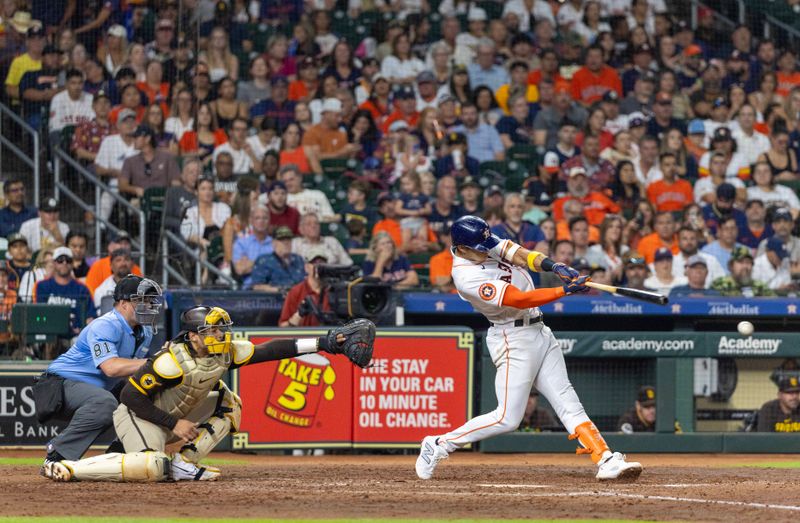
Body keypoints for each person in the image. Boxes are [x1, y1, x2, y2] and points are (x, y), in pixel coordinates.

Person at [415, 215, 642, 481]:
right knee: (507, 418)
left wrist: (554, 265)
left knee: (567, 400)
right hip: (512, 338)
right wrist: (563, 291)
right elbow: (519, 299)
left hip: (539, 331)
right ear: (462, 248)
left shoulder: (484, 242)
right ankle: (439, 444)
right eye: (480, 247)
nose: (487, 249)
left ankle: (604, 458)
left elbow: (521, 256)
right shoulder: (465, 276)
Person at [41, 305, 373, 482]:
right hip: (140, 416)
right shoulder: (171, 360)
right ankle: (70, 468)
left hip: (174, 415)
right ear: (194, 336)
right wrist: (175, 422)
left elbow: (269, 349)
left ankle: (185, 463)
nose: (219, 334)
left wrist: (324, 344)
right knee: (155, 466)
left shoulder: (224, 351)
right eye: (211, 329)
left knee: (232, 405)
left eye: (220, 328)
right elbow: (129, 397)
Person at [36, 275, 160, 473]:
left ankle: (120, 452)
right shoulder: (106, 324)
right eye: (141, 300)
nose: (148, 305)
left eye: (150, 300)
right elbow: (111, 368)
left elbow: (131, 373)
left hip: (94, 388)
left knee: (146, 393)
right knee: (105, 403)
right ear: (123, 303)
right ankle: (57, 455)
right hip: (59, 385)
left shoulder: (145, 331)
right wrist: (154, 362)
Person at [34, 245, 95, 337]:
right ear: (54, 263)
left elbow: (90, 317)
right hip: (49, 334)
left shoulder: (82, 288)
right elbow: (38, 315)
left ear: (72, 263)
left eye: (68, 260)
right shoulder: (42, 286)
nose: (64, 263)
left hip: (76, 336)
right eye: (60, 260)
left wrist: (83, 329)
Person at [278, 247, 332, 327]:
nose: (318, 267)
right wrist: (298, 315)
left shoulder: (333, 290)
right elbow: (282, 326)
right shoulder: (296, 291)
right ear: (306, 267)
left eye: (322, 263)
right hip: (303, 337)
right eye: (314, 263)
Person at [248, 226, 305, 292]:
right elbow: (257, 286)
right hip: (275, 299)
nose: (286, 243)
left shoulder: (298, 259)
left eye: (288, 240)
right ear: (274, 243)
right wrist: (279, 290)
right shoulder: (264, 261)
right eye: (282, 240)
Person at [232, 206, 274, 288]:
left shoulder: (275, 244)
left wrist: (250, 263)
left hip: (273, 287)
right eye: (257, 218)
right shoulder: (241, 243)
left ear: (269, 221)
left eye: (265, 218)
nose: (261, 221)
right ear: (251, 221)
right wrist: (270, 263)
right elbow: (240, 270)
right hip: (249, 289)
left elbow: (280, 270)